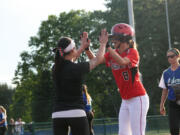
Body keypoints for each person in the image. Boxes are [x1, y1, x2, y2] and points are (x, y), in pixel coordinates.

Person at [85, 23, 149, 135]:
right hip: (125, 99)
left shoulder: (132, 52)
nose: (112, 40)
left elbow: (122, 61)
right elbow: (96, 60)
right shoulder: (112, 54)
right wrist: (86, 49)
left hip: (137, 98)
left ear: (123, 38)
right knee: (123, 133)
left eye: (115, 38)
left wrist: (108, 46)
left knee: (137, 133)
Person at [51, 29, 108, 135]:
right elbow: (98, 59)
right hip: (76, 113)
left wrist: (82, 47)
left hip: (57, 114)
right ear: (72, 50)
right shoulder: (77, 68)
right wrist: (103, 43)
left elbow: (69, 58)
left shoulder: (55, 68)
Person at [159, 48, 180, 135]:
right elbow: (165, 90)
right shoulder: (166, 73)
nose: (170, 59)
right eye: (168, 57)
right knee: (174, 129)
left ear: (178, 56)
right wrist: (161, 104)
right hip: (173, 103)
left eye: (172, 56)